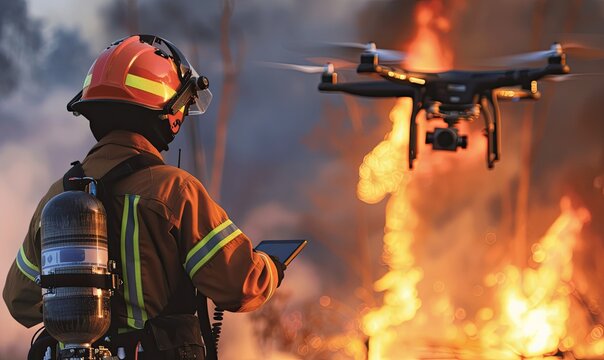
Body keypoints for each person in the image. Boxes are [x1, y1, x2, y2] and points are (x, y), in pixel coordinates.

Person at [3, 34, 286, 359]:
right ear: (167, 113)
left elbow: (19, 300)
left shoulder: (59, 196)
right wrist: (272, 268)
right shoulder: (175, 191)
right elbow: (241, 286)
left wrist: (77, 314)